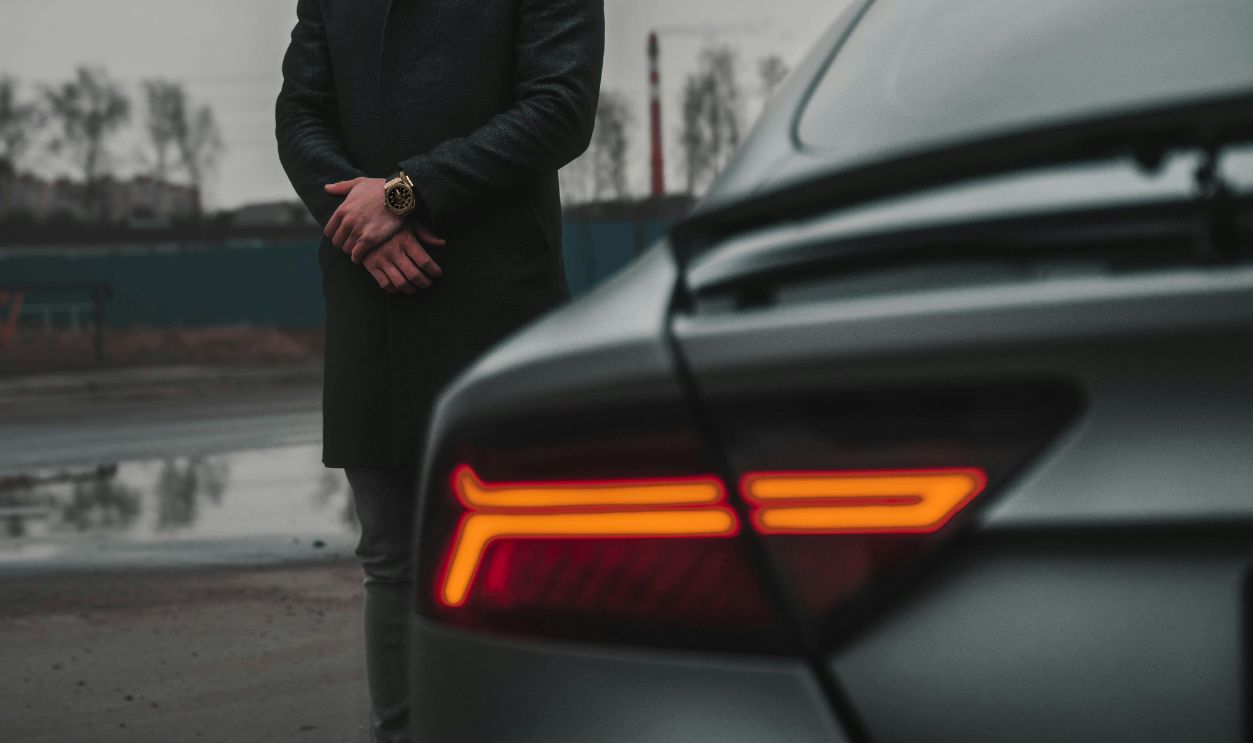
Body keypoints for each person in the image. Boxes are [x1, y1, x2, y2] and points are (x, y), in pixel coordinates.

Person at [274, 1, 604, 740]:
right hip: (372, 292)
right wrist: (362, 224)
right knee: (390, 552)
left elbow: (560, 108)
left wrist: (401, 194)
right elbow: (299, 116)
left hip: (494, 303)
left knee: (513, 553)